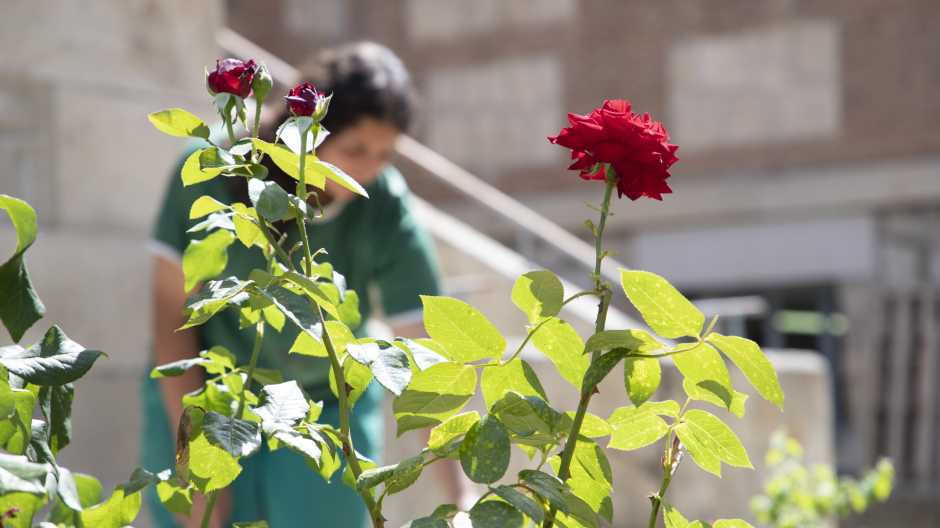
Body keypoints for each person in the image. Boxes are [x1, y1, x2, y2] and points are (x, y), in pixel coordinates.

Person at [143, 42, 447, 528]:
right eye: (355, 149)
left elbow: (422, 346)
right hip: (206, 402)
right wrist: (193, 461)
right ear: (306, 129)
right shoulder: (214, 165)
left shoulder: (383, 201)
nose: (370, 167)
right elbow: (171, 323)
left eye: (387, 153)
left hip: (324, 413)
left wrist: (463, 491)